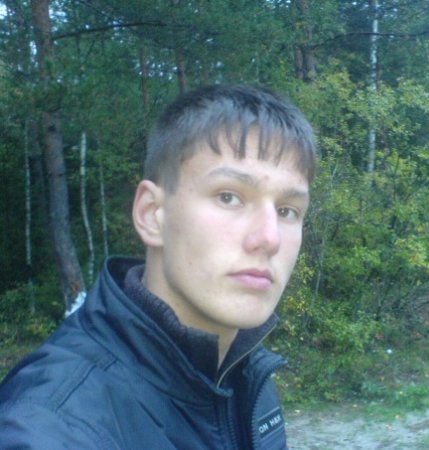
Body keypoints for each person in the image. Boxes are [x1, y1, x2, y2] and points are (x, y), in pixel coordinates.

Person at [0, 85, 316, 449]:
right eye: (229, 197)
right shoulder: (51, 427)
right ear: (151, 215)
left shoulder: (241, 370)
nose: (269, 238)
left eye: (287, 211)